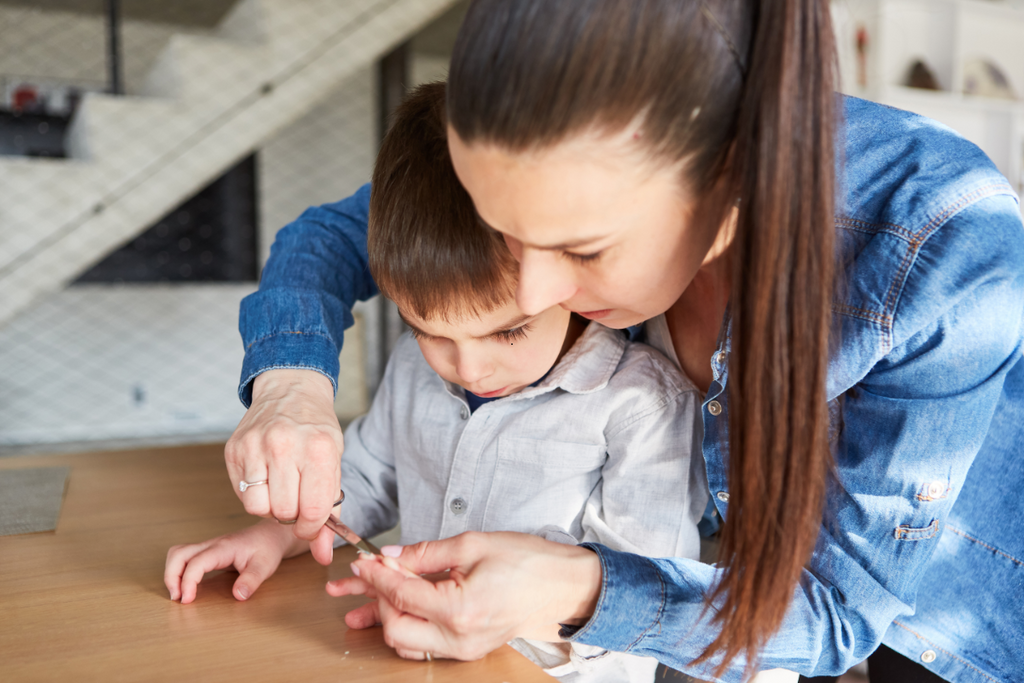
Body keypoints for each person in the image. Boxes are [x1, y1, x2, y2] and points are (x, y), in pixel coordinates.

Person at [225, 1, 1024, 681]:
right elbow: (330, 237)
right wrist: (291, 386)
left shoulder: (939, 247)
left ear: (730, 173)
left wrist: (573, 590)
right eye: (501, 228)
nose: (534, 297)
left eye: (583, 250)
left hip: (940, 640)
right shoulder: (551, 160)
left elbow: (834, 611)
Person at [169, 82, 712, 682]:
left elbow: (647, 598)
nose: (470, 369)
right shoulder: (411, 365)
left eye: (508, 333)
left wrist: (507, 623)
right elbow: (366, 480)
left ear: (564, 276)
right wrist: (276, 535)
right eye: (430, 332)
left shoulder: (643, 405)